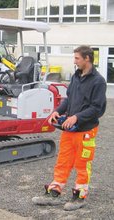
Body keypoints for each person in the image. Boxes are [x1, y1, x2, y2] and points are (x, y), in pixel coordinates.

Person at [32, 45, 107, 211]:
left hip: (86, 130)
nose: (74, 61)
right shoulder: (76, 76)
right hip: (69, 130)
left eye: (77, 58)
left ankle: (80, 196)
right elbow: (68, 99)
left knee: (82, 163)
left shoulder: (98, 81)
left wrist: (76, 117)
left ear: (87, 58)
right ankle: (54, 193)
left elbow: (97, 108)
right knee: (63, 161)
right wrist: (57, 112)